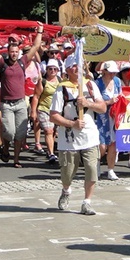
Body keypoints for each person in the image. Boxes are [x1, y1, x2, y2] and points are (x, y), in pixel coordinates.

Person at [49, 54, 106, 215]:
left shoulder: (90, 85)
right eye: (73, 66)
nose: (77, 68)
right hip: (69, 139)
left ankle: (87, 202)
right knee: (67, 173)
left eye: (79, 65)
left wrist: (88, 103)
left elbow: (102, 108)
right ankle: (66, 190)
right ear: (67, 69)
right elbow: (53, 115)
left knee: (91, 169)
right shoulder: (62, 89)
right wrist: (72, 124)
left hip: (90, 137)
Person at [0, 24, 44, 168]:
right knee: (9, 132)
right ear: (8, 52)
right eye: (12, 52)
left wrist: (40, 31)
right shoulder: (2, 63)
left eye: (16, 51)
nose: (14, 54)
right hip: (7, 104)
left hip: (20, 103)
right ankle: (5, 148)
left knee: (20, 134)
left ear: (19, 52)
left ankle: (16, 159)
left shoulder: (23, 62)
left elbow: (36, 46)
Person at [95, 60, 122, 180]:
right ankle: (96, 166)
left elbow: (120, 95)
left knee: (113, 145)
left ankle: (111, 169)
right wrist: (108, 102)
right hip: (101, 118)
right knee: (102, 145)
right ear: (104, 71)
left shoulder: (117, 81)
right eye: (110, 72)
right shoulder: (98, 83)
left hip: (114, 117)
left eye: (114, 72)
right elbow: (95, 102)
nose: (113, 75)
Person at [32, 59, 62, 164]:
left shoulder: (61, 81)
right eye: (50, 69)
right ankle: (52, 154)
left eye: (55, 69)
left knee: (53, 132)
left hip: (56, 110)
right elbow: (36, 96)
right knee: (48, 130)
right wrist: (33, 112)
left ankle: (50, 151)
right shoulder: (43, 82)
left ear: (58, 70)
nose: (52, 71)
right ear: (47, 70)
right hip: (44, 109)